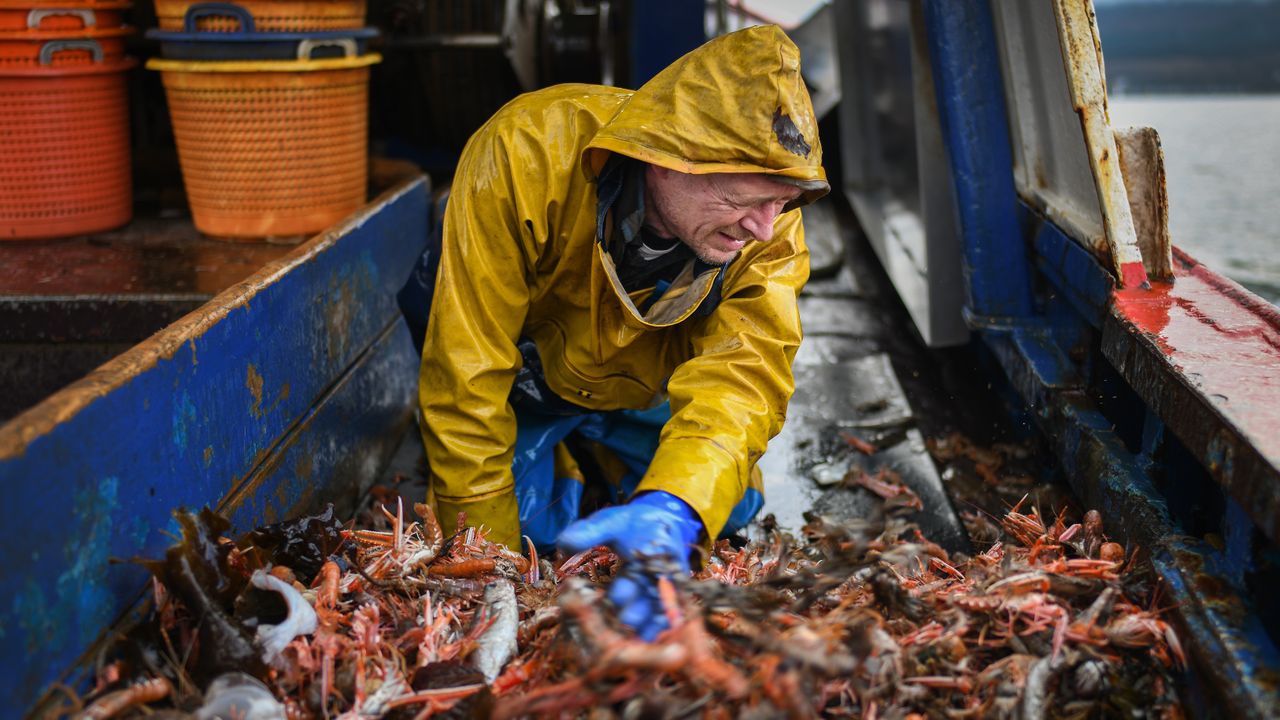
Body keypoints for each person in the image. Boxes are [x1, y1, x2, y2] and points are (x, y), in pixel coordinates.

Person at [398, 24, 827, 639]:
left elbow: (745, 379)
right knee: (521, 533)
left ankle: (606, 451)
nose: (765, 228)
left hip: (637, 382)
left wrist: (676, 505)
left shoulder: (769, 227)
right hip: (527, 375)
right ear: (667, 161)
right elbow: (466, 375)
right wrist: (489, 576)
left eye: (782, 202)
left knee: (724, 507)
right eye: (746, 197)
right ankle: (569, 457)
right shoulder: (525, 150)